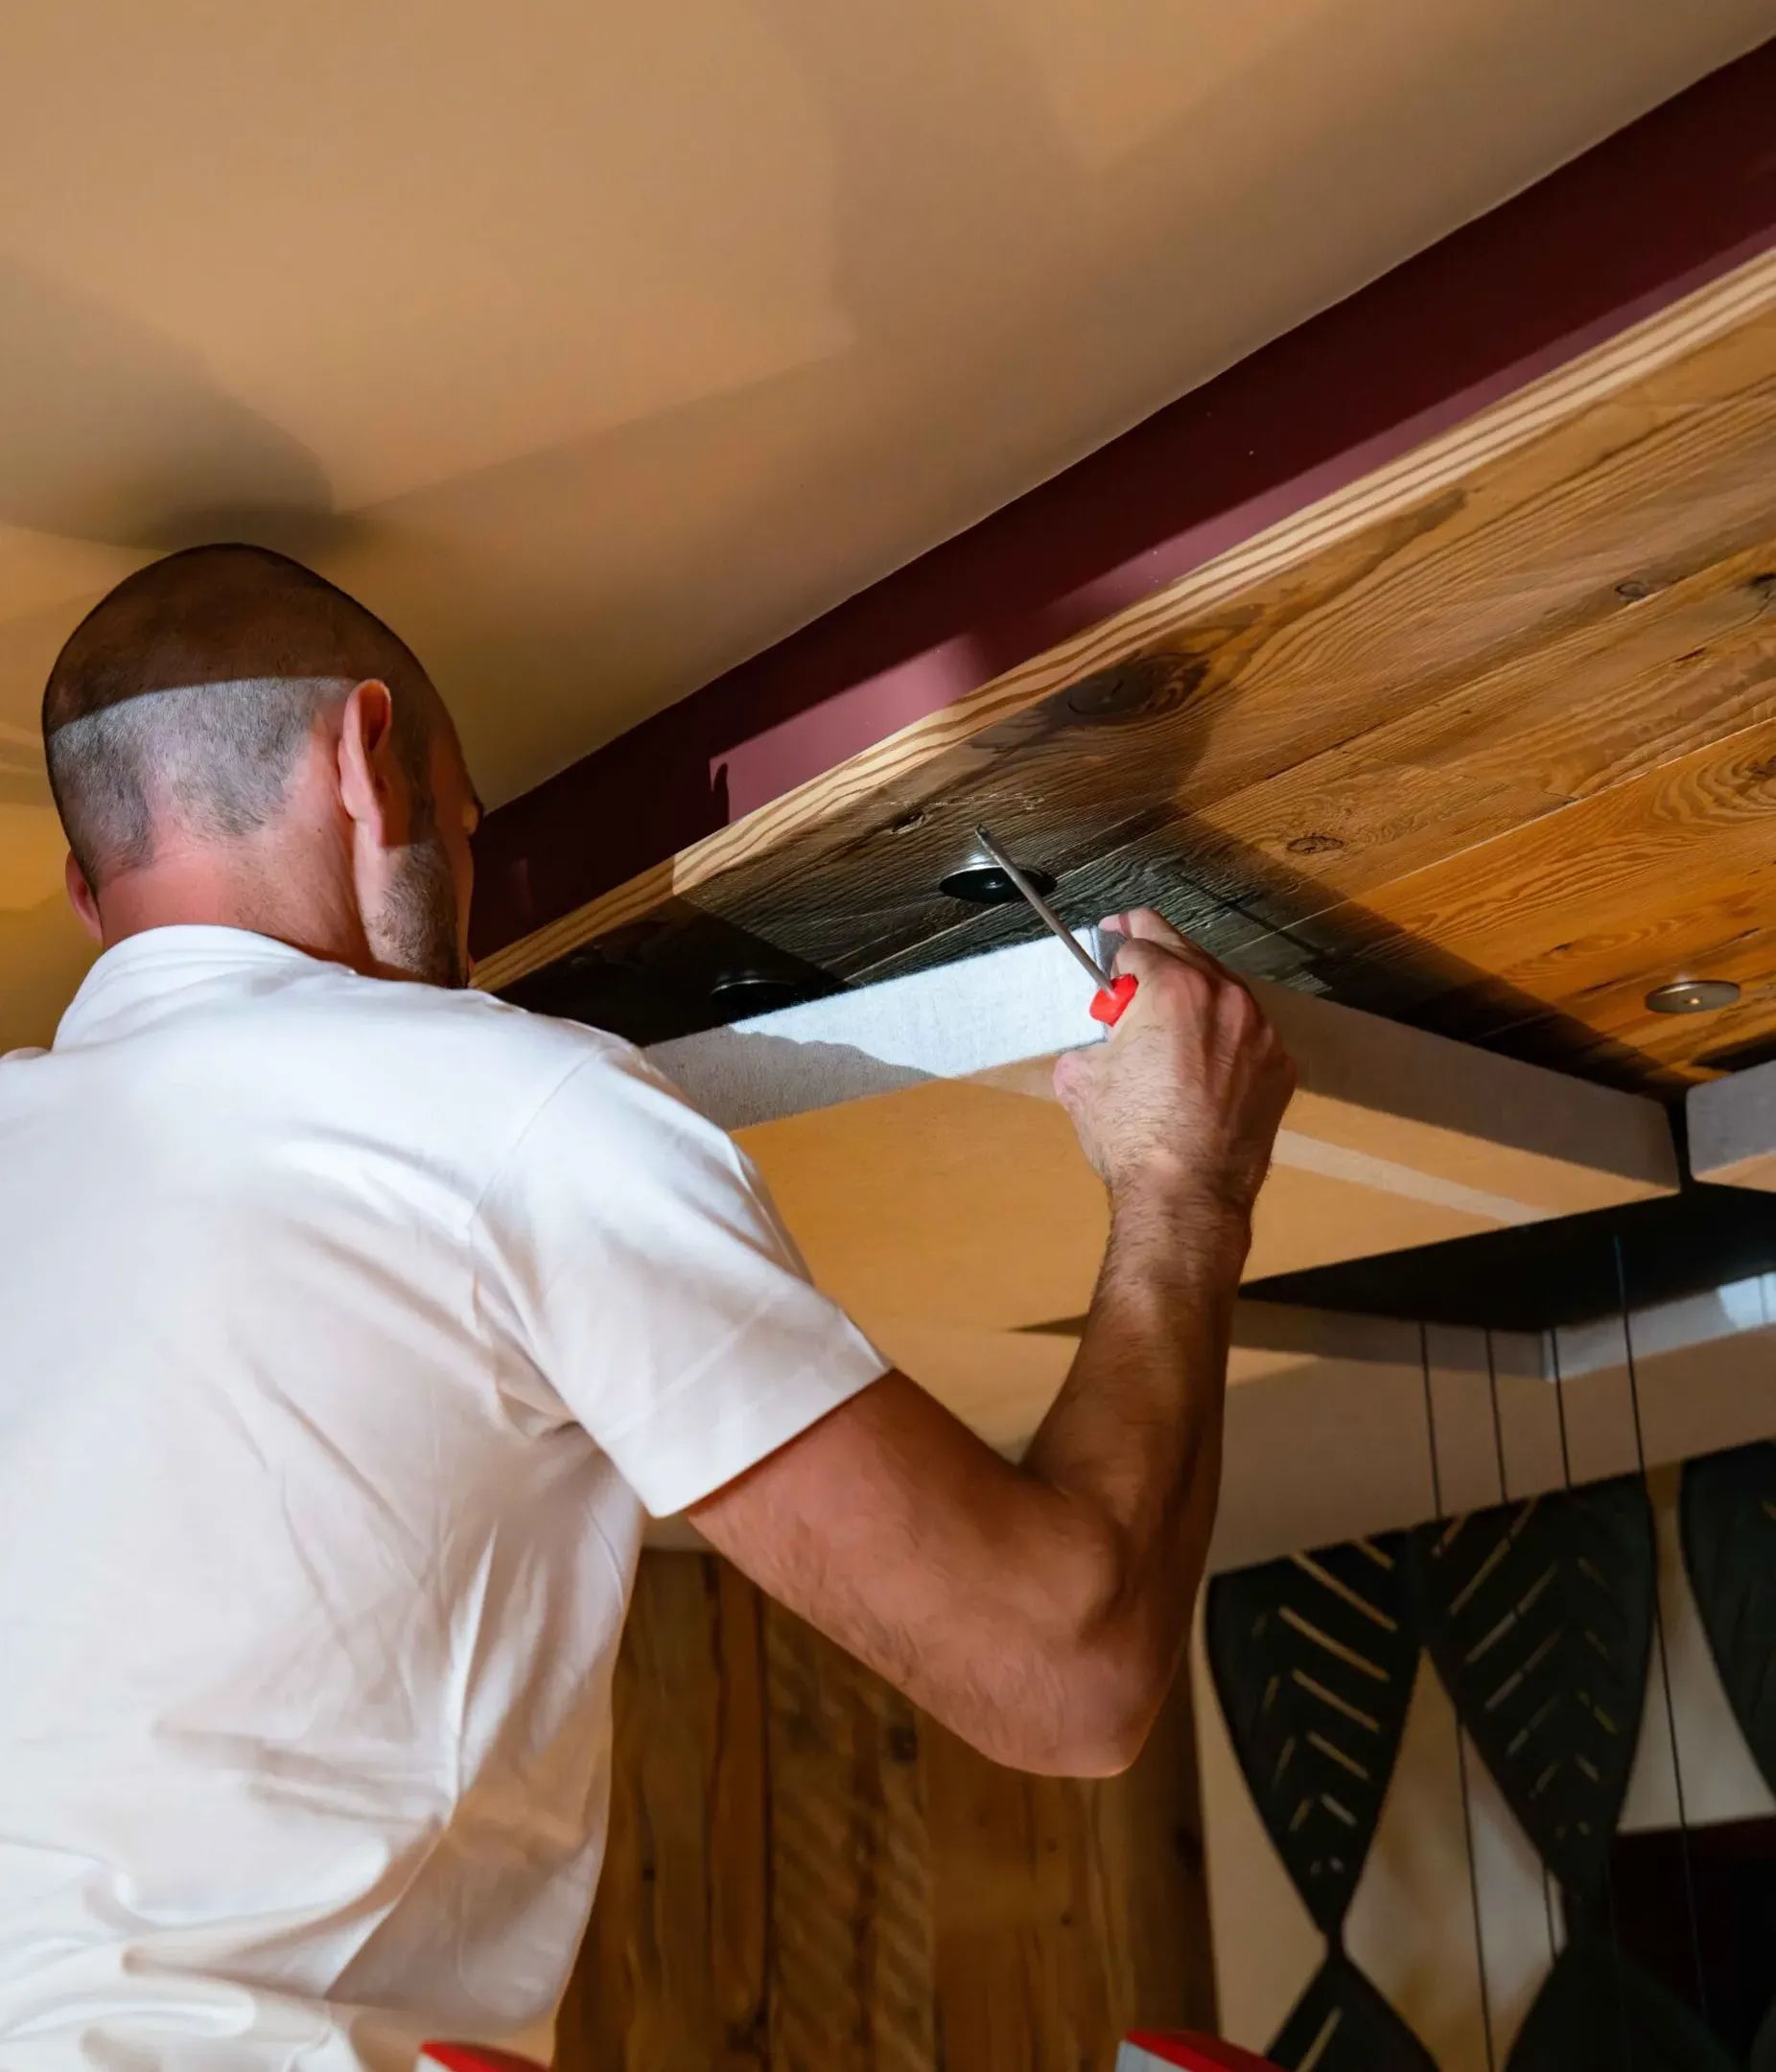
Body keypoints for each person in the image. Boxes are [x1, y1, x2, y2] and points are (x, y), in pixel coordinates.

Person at [0, 545, 1295, 2069]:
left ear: (92, 895)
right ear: (368, 762)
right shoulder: (494, 1100)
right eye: (469, 828)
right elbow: (1062, 1678)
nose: (468, 894)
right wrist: (1183, 1191)